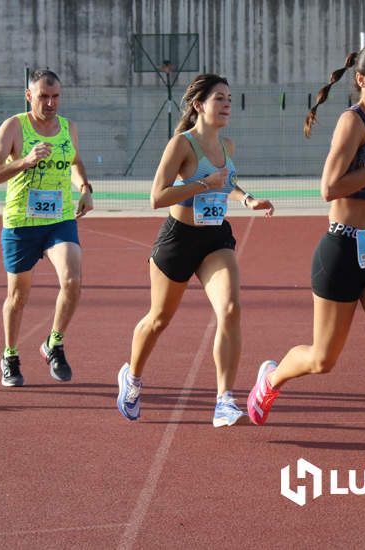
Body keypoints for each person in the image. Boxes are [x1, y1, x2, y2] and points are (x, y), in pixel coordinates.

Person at [246, 44, 365, 476]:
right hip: (342, 249)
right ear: (362, 79)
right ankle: (271, 378)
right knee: (322, 360)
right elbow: (330, 188)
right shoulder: (352, 122)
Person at [115, 74, 274, 427]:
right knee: (159, 320)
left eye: (229, 98)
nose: (227, 103)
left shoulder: (227, 145)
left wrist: (246, 199)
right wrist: (202, 184)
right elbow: (157, 197)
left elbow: (227, 183)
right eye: (219, 97)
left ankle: (223, 400)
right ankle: (133, 379)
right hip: (179, 239)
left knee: (231, 309)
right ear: (199, 105)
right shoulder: (182, 145)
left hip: (215, 238)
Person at [0, 69, 94, 387]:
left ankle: (54, 343)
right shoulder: (14, 127)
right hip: (21, 223)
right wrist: (24, 161)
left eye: (55, 96)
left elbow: (73, 161)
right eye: (43, 96)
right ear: (29, 96)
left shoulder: (68, 127)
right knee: (17, 297)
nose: (50, 102)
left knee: (73, 280)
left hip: (59, 219)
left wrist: (85, 187)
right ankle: (10, 354)